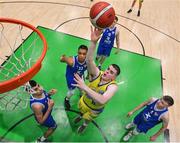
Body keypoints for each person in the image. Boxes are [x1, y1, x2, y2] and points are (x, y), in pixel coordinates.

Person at [72, 26, 121, 133]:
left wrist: (85, 87)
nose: (107, 71)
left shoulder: (113, 86)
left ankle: (84, 125)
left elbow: (103, 99)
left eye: (111, 72)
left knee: (87, 119)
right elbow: (89, 60)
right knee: (81, 112)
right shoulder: (99, 73)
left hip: (94, 109)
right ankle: (80, 116)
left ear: (114, 78)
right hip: (85, 102)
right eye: (108, 69)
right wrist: (93, 43)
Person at [60, 45, 88, 109]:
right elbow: (61, 59)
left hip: (79, 76)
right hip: (71, 77)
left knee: (82, 88)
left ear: (87, 54)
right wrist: (63, 58)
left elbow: (88, 68)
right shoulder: (72, 61)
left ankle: (81, 95)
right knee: (71, 92)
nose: (81, 55)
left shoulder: (88, 61)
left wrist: (88, 75)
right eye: (80, 53)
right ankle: (66, 99)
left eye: (84, 54)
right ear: (77, 53)